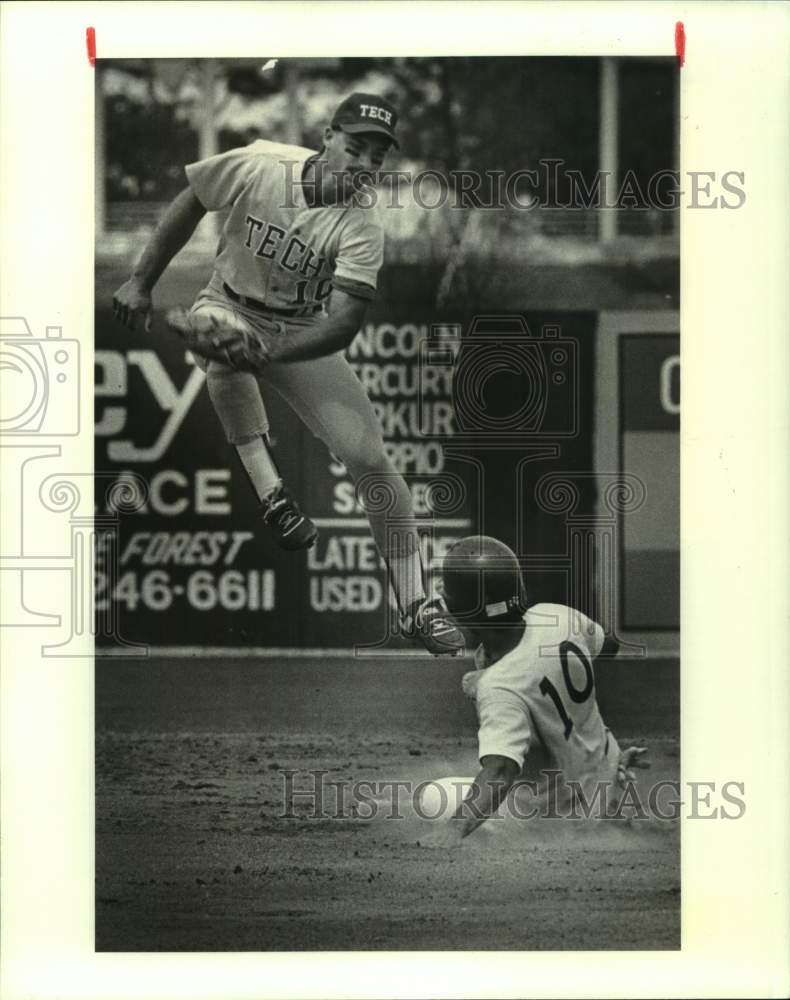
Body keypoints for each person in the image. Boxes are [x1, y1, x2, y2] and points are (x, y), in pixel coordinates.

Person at [112, 91, 463, 656]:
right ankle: (273, 495)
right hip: (228, 301)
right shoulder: (261, 163)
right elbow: (192, 199)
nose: (365, 165)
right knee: (220, 342)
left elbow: (345, 325)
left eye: (377, 157)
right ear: (327, 137)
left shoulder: (361, 226)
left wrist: (270, 354)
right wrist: (142, 281)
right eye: (355, 148)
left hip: (300, 330)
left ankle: (417, 603)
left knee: (371, 461)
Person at [419, 535, 649, 846]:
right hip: (610, 776)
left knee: (433, 797)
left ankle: (549, 827)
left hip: (564, 817)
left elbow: (500, 773)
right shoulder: (556, 615)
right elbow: (609, 645)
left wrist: (451, 833)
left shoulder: (500, 687)